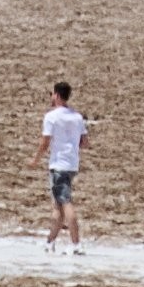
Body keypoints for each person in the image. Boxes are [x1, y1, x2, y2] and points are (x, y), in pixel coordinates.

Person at [38, 81, 88, 247]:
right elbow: (84, 142)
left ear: (57, 95)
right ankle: (50, 242)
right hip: (72, 164)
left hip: (59, 165)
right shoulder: (77, 116)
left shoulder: (51, 117)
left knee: (65, 203)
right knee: (57, 206)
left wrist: (35, 159)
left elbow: (45, 142)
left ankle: (76, 243)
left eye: (52, 94)